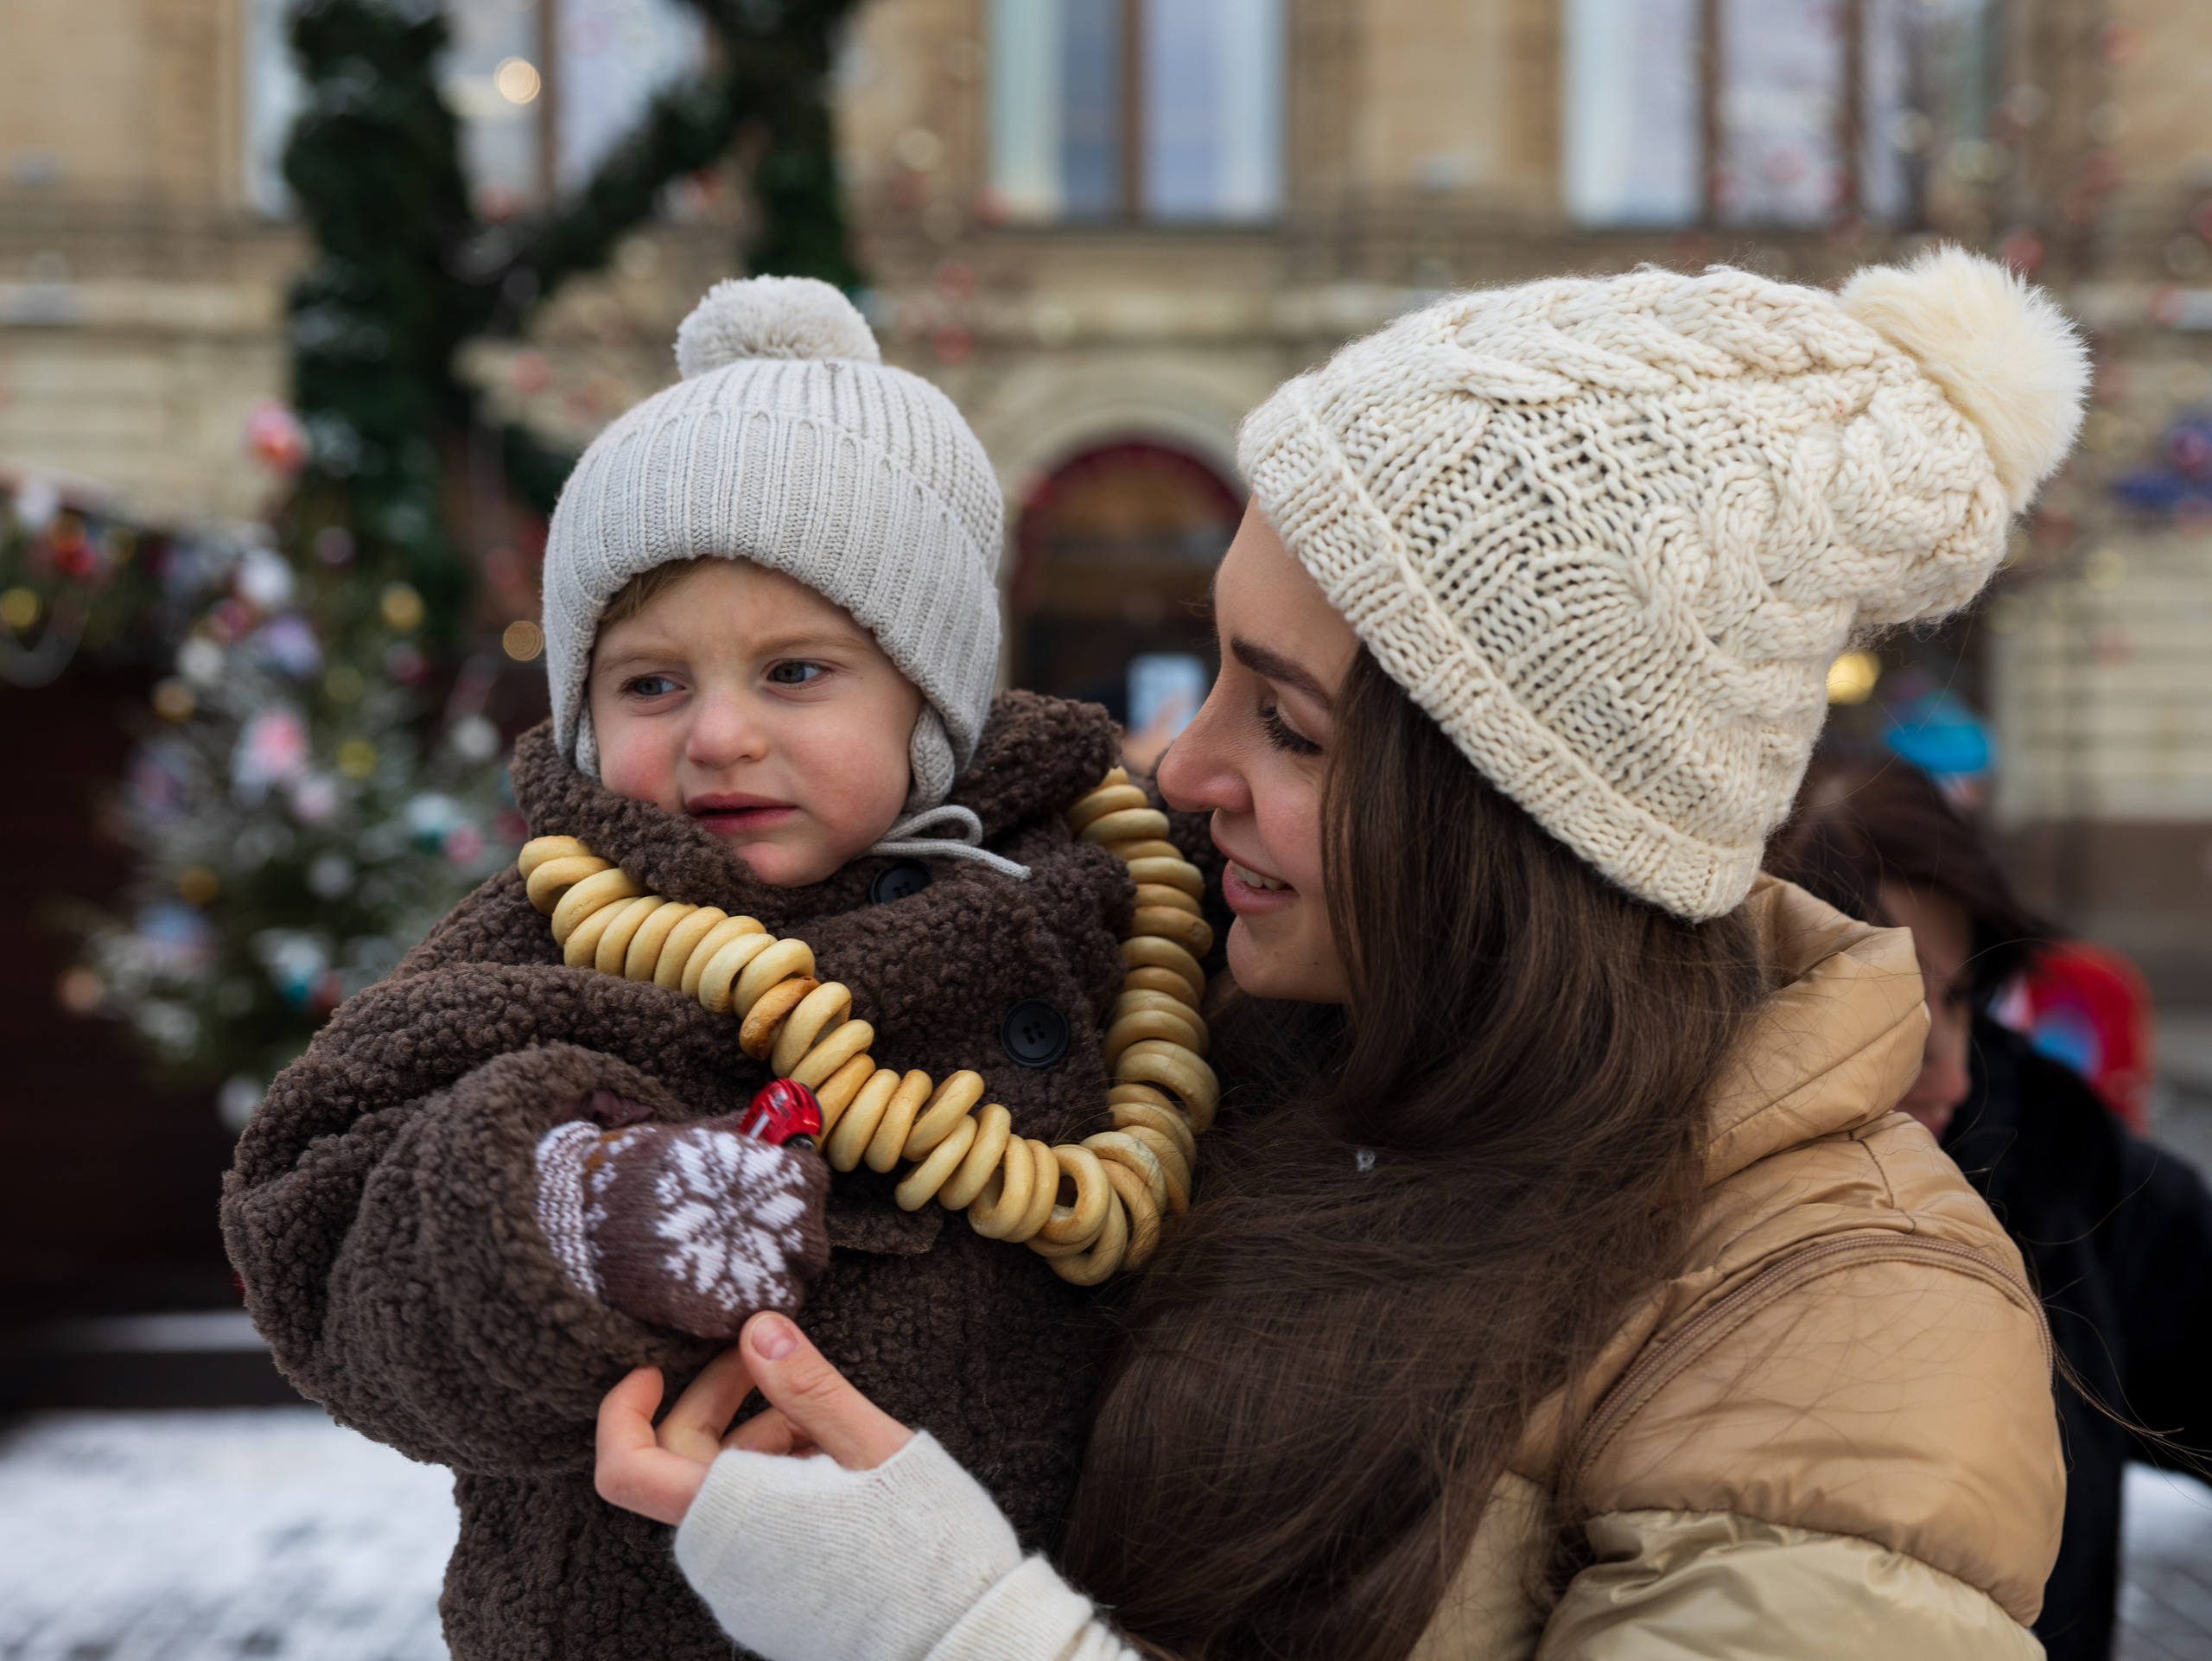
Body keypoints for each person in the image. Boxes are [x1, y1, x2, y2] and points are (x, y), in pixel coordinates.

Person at [594, 248, 2091, 1659]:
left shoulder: (1850, 1332)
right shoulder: (1210, 1057)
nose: (1183, 772)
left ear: (1520, 822)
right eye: (1222, 669)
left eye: (1290, 725)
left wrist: (956, 1625)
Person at [221, 277, 1218, 1660]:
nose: (719, 736)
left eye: (797, 672)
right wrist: (572, 1215)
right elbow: (316, 1216)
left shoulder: (1101, 897)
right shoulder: (544, 931)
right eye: (650, 682)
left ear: (929, 694)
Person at [1771, 749, 2212, 1661]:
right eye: (1894, 1001)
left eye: (1964, 997)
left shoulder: (2056, 1149)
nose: (1951, 1066)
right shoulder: (1618, 1224)